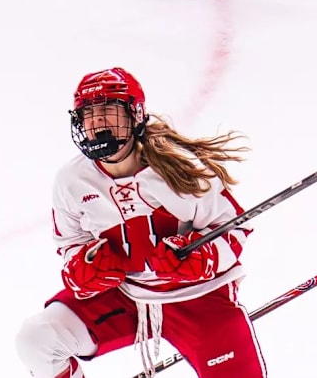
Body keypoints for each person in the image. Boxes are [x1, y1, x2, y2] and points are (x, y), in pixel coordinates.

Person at [15, 67, 267, 378]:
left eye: (108, 111)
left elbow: (234, 229)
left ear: (135, 115)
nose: (97, 123)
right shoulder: (72, 181)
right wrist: (84, 267)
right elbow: (69, 244)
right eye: (89, 115)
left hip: (198, 297)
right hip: (126, 296)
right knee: (38, 339)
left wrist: (201, 257)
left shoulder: (182, 168)